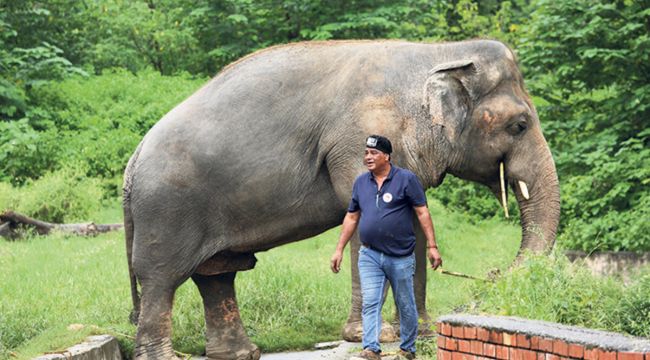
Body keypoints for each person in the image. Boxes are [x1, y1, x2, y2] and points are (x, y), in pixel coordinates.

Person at [330, 135, 443, 360]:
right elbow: (352, 217)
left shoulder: (406, 180)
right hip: (370, 254)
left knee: (405, 304)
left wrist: (432, 246)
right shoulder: (361, 183)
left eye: (373, 153)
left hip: (400, 256)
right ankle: (371, 349)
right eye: (366, 153)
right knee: (370, 301)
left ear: (386, 156)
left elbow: (422, 212)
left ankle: (408, 349)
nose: (368, 157)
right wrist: (339, 249)